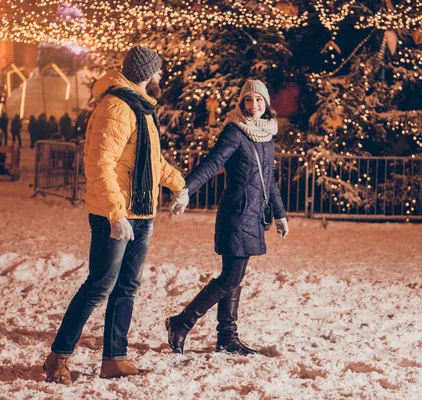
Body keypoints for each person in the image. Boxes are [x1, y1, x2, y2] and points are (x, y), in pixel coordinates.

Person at [43, 46, 187, 385]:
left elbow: (151, 163)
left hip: (140, 212)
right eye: (158, 71)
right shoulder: (117, 106)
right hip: (116, 213)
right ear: (147, 74)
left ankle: (114, 358)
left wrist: (179, 185)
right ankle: (58, 357)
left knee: (127, 287)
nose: (161, 77)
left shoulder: (141, 108)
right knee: (99, 285)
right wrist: (114, 214)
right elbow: (99, 163)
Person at [165, 80, 290, 356]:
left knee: (235, 277)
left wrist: (280, 214)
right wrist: (186, 190)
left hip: (254, 216)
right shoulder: (235, 132)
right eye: (248, 100)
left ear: (266, 103)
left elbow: (269, 181)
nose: (253, 106)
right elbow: (211, 163)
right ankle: (182, 322)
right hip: (237, 213)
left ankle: (226, 337)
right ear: (241, 103)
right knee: (230, 277)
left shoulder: (266, 135)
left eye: (258, 100)